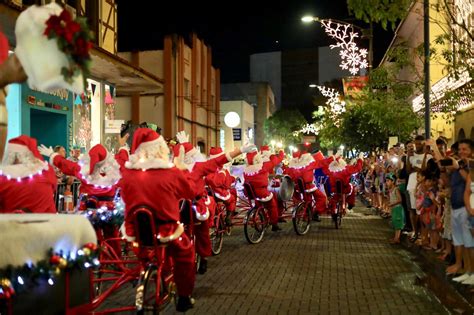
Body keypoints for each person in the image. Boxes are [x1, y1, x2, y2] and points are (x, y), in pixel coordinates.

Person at [116, 128, 198, 312]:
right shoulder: (171, 173)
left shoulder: (128, 174)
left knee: (145, 254)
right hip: (167, 230)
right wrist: (182, 169)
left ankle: (148, 274)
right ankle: (184, 296)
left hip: (135, 230)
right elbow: (190, 192)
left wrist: (122, 149)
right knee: (186, 256)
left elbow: (123, 191)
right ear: (160, 148)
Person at [173, 131, 255, 274]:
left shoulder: (179, 168)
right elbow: (219, 160)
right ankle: (198, 257)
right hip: (188, 206)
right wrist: (240, 150)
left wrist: (240, 150)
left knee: (193, 231)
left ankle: (198, 258)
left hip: (184, 207)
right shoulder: (195, 167)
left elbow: (219, 160)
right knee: (199, 232)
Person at [0, 135, 57, 213]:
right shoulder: (46, 172)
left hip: (10, 223)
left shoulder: (3, 177)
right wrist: (53, 156)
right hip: (45, 222)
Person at [244, 148, 285, 231]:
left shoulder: (245, 169)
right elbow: (275, 161)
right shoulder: (262, 166)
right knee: (272, 204)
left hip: (251, 193)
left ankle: (263, 219)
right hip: (261, 192)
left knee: (259, 203)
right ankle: (274, 223)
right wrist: (278, 153)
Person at [205, 147, 237, 226]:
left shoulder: (207, 167)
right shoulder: (221, 170)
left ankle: (221, 216)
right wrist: (232, 179)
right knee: (232, 199)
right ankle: (229, 217)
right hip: (219, 193)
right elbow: (224, 183)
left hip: (210, 192)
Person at [386, 173, 404, 244]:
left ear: (393, 181)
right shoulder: (391, 190)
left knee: (398, 224)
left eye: (388, 181)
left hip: (398, 209)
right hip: (394, 209)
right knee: (395, 223)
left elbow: (400, 200)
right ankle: (395, 237)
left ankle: (397, 238)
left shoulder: (396, 189)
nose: (386, 182)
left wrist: (392, 204)